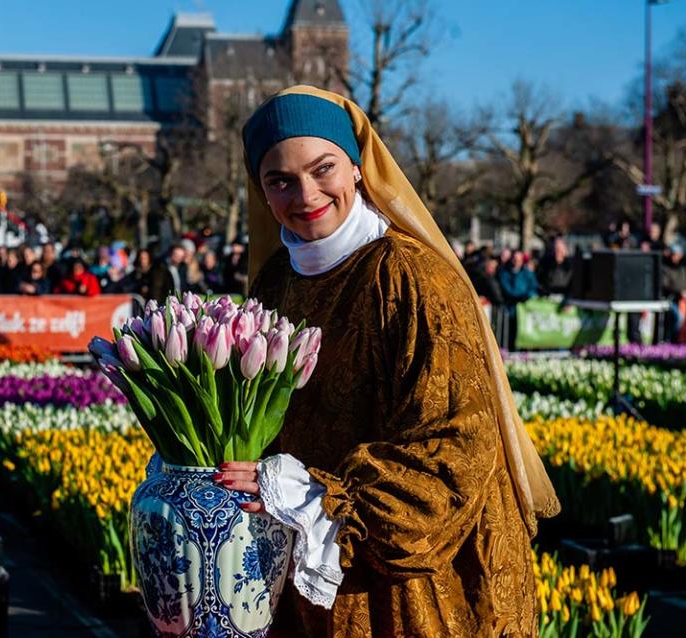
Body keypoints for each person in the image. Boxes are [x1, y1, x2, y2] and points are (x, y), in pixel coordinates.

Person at [212, 85, 558, 637]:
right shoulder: (275, 280)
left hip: (409, 583)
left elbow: (452, 450)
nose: (306, 194)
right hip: (307, 574)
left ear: (355, 167)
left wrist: (319, 502)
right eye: (280, 180)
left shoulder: (409, 277)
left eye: (322, 168)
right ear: (261, 191)